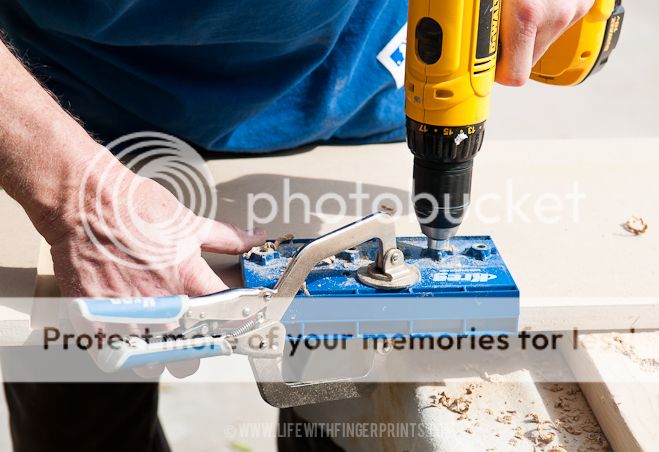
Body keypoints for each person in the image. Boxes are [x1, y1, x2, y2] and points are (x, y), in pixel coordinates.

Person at [0, 1, 594, 450]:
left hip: (353, 77)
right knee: (77, 378)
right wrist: (76, 199)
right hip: (60, 107)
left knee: (348, 409)